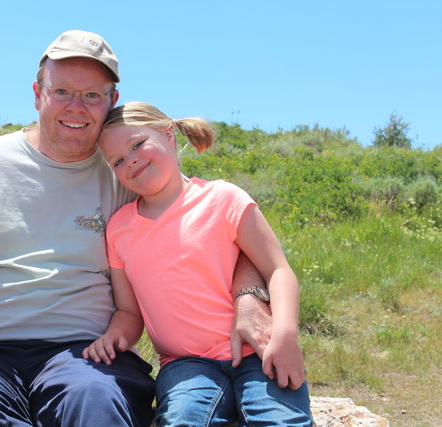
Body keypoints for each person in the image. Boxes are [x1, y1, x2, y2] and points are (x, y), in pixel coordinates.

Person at [0, 30, 273, 427]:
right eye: (62, 91)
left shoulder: (125, 171)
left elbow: (217, 230)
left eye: (92, 95)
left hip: (87, 350)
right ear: (37, 93)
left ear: (111, 101)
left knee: (96, 403)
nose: (76, 107)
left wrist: (248, 295)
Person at [84, 102, 312, 426]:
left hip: (258, 350)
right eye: (118, 160)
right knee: (182, 421)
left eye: (137, 144)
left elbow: (278, 270)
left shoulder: (223, 198)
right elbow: (129, 312)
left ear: (169, 135)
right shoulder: (119, 230)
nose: (131, 160)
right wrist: (115, 336)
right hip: (185, 365)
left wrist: (286, 335)